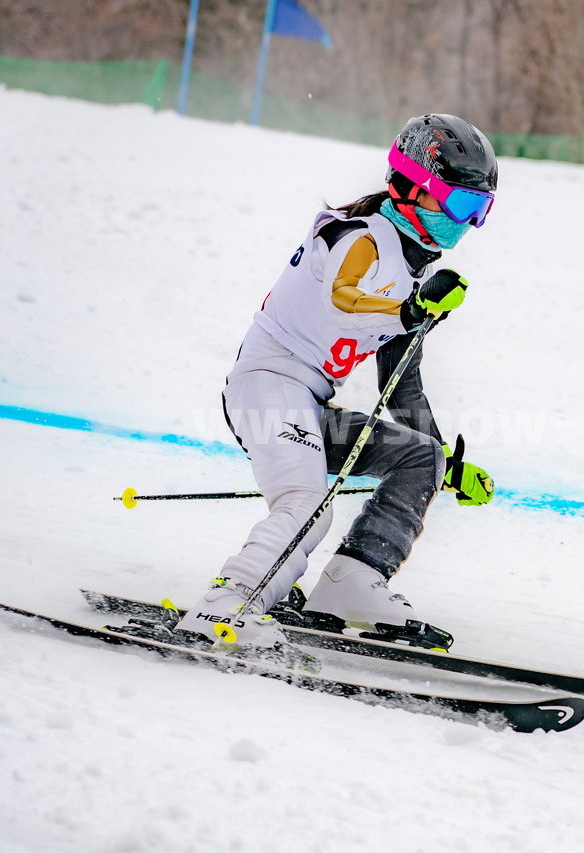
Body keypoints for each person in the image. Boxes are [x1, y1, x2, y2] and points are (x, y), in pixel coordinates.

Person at [171, 114, 497, 662]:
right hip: (266, 388)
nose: (468, 224)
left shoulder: (414, 276)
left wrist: (446, 460)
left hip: (309, 402)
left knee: (418, 458)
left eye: (481, 211)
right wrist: (409, 312)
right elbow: (342, 299)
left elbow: (403, 389)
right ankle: (226, 606)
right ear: (413, 186)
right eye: (462, 206)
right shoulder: (356, 238)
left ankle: (352, 579)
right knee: (308, 502)